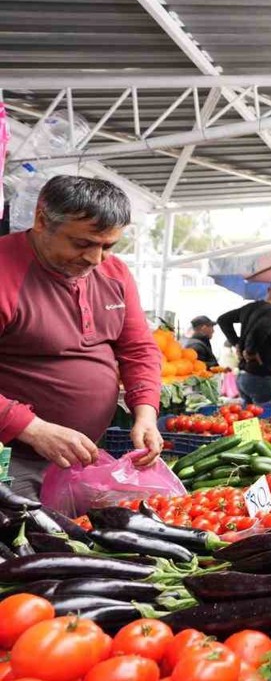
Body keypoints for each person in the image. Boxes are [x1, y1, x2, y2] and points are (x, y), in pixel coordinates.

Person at [0, 176, 164, 498]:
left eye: (108, 246)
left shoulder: (114, 273)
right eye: (82, 243)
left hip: (80, 454)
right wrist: (31, 428)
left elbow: (138, 349)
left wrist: (146, 412)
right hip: (11, 458)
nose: (96, 259)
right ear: (41, 220)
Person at [217, 276, 271, 404]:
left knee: (249, 419)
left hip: (244, 376)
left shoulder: (251, 307)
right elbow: (259, 330)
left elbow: (223, 320)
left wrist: (236, 342)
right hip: (261, 378)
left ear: (269, 289)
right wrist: (250, 351)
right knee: (264, 420)